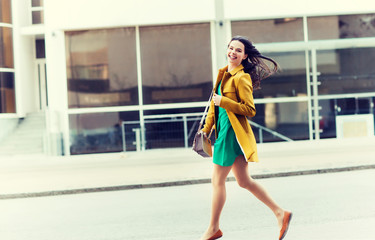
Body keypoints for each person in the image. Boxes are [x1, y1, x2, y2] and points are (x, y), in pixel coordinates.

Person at [199, 36, 292, 240]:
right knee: (243, 181)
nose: (233, 52)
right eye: (231, 48)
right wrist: (206, 129)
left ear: (245, 56)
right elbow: (214, 109)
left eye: (238, 50)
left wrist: (225, 101)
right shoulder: (223, 74)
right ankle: (280, 213)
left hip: (230, 134)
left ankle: (213, 228)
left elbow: (250, 110)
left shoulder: (242, 78)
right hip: (222, 132)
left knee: (217, 181)